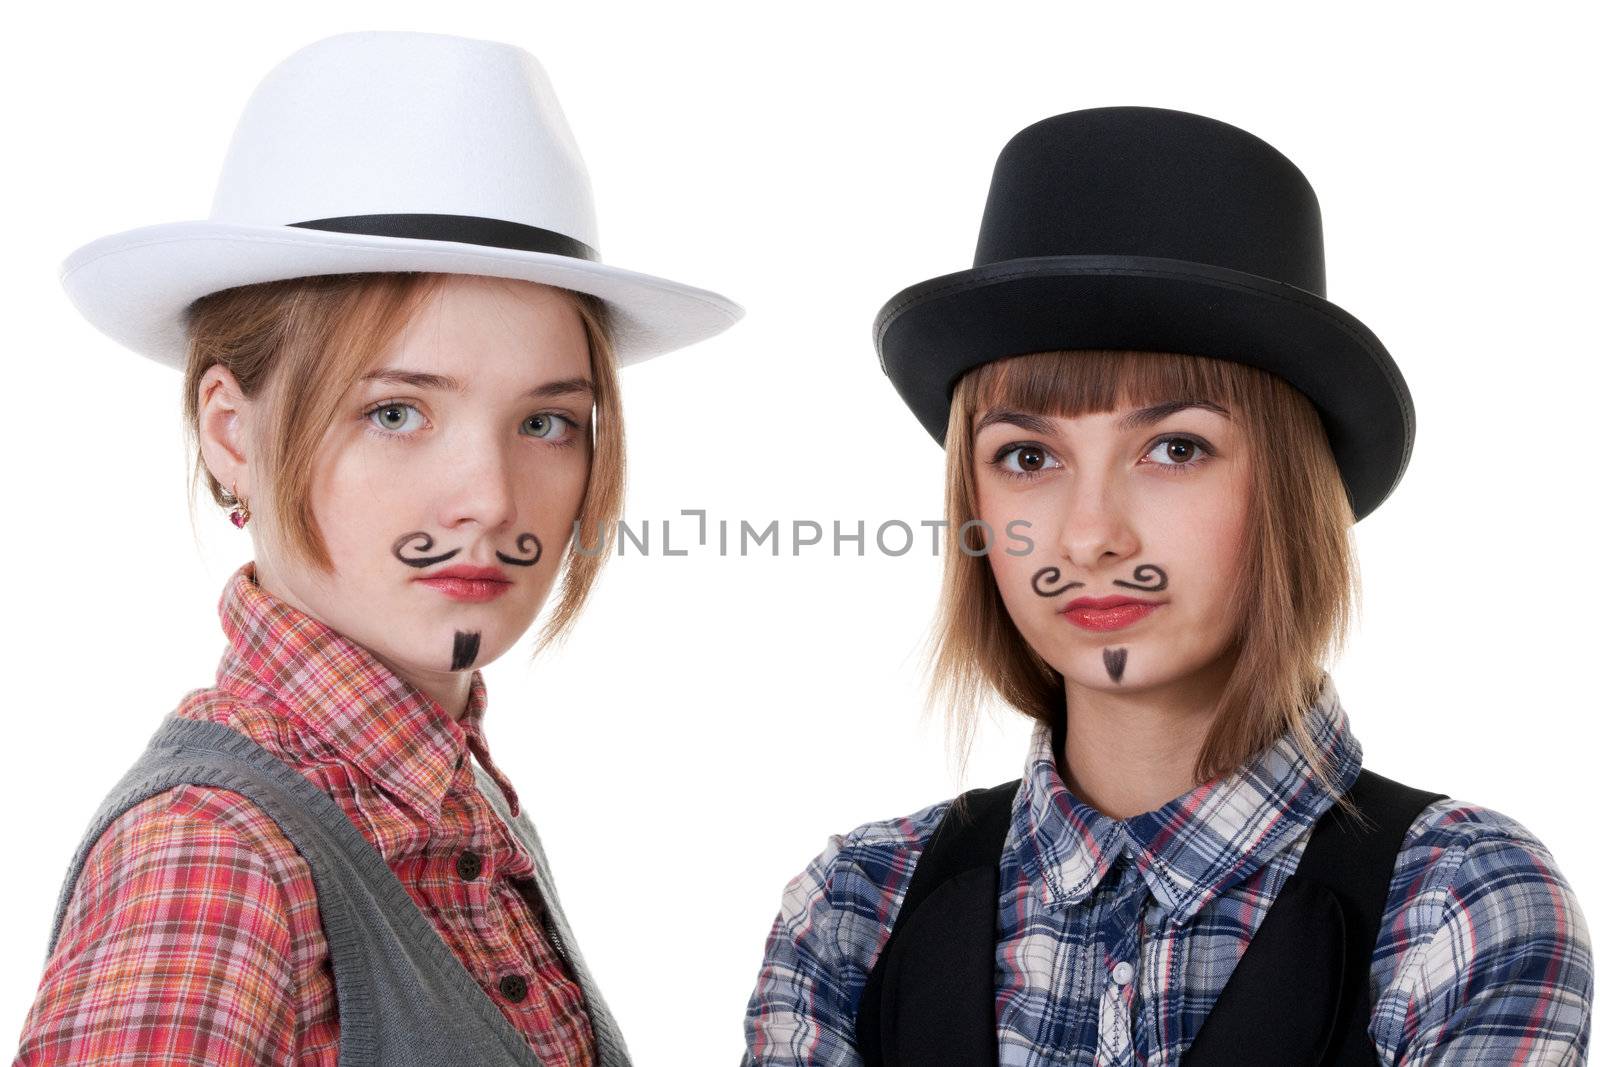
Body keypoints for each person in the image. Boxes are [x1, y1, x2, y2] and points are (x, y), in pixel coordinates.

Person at [741, 106, 1591, 1065]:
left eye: (1175, 448)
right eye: (1027, 454)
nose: (1092, 534)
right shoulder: (859, 909)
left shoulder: (1456, 903)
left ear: (1290, 490)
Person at [15, 30, 741, 1067]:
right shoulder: (212, 858)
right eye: (397, 412)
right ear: (232, 432)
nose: (490, 498)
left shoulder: (459, 802)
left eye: (545, 423)